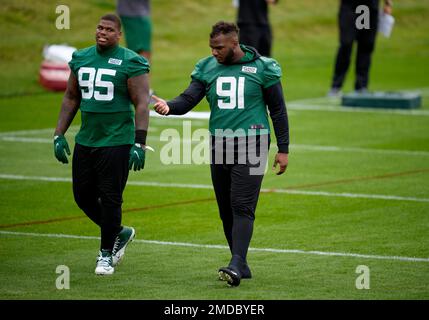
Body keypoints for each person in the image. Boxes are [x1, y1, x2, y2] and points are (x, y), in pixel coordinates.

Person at [152, 21, 289, 287]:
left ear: (235, 44)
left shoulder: (262, 67)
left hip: (253, 142)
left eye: (219, 48)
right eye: (211, 47)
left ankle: (236, 263)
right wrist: (169, 105)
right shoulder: (206, 67)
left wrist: (283, 149)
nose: (214, 52)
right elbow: (188, 99)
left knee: (241, 205)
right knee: (226, 208)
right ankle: (241, 261)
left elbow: (278, 110)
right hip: (219, 144)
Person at [53, 14, 151, 275]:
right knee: (82, 196)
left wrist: (139, 144)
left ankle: (105, 254)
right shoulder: (81, 57)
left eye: (109, 29)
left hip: (117, 140)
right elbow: (71, 97)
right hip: (87, 139)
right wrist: (58, 134)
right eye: (99, 27)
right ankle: (119, 232)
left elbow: (141, 103)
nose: (102, 32)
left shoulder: (132, 61)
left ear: (119, 34)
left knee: (110, 198)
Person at [328, 0, 393, 96]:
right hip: (350, 7)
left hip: (368, 8)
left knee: (366, 45)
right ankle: (336, 86)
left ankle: (361, 87)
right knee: (346, 44)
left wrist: (388, 3)